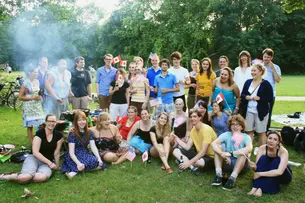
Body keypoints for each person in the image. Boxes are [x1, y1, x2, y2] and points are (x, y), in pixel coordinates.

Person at [0, 114, 63, 183]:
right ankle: (5, 176)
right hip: (34, 158)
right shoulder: (39, 134)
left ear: (56, 122)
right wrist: (50, 163)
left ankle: (28, 175)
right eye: (49, 121)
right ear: (45, 122)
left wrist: (57, 166)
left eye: (53, 121)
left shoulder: (58, 135)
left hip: (47, 163)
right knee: (24, 178)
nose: (51, 123)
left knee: (40, 178)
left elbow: (56, 152)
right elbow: (35, 152)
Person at [211, 115, 253, 191]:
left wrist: (231, 153)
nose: (235, 126)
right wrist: (222, 154)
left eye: (237, 124)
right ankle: (218, 175)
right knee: (218, 147)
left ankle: (232, 179)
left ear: (242, 127)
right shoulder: (227, 134)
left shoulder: (246, 136)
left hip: (241, 164)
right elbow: (213, 144)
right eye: (233, 124)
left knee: (243, 153)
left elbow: (249, 148)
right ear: (230, 126)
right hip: (228, 162)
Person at [62, 110, 105, 179]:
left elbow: (93, 147)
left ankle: (76, 171)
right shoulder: (72, 134)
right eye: (79, 120)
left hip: (84, 152)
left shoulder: (89, 132)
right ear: (76, 122)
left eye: (83, 120)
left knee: (95, 160)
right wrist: (78, 163)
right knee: (87, 163)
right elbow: (71, 152)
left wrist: (99, 159)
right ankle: (77, 169)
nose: (82, 122)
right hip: (73, 154)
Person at [173, 109, 217, 175]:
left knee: (199, 162)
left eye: (194, 116)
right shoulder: (193, 130)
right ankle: (192, 167)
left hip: (211, 157)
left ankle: (184, 162)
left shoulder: (206, 129)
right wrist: (177, 138)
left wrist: (189, 162)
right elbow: (187, 147)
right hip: (199, 154)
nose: (192, 118)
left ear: (199, 117)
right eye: (190, 117)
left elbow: (203, 152)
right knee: (175, 151)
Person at [247, 131, 292, 197]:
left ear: (278, 142)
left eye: (275, 139)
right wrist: (254, 167)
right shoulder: (262, 148)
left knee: (276, 160)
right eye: (270, 138)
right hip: (268, 171)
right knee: (263, 159)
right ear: (266, 139)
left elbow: (279, 172)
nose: (271, 141)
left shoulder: (283, 151)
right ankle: (256, 188)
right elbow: (258, 169)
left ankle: (259, 188)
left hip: (283, 176)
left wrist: (260, 174)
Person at [241, 64, 274, 146]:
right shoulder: (248, 82)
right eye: (252, 70)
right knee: (249, 131)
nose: (252, 72)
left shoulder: (266, 84)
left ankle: (262, 151)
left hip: (261, 111)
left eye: (254, 70)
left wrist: (260, 98)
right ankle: (249, 150)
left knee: (261, 132)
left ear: (260, 72)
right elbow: (242, 94)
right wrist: (246, 97)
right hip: (249, 111)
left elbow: (270, 98)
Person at [19, 65, 45, 143]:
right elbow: (20, 97)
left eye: (37, 72)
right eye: (35, 72)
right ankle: (32, 143)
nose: (37, 74)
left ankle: (40, 140)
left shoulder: (37, 81)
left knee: (41, 124)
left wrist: (40, 94)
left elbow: (37, 92)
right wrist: (33, 98)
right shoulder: (25, 83)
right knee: (30, 126)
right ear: (30, 73)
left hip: (37, 106)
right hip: (28, 107)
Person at [262, 48, 281, 130]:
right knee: (259, 112)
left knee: (268, 113)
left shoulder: (276, 67)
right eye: (265, 56)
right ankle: (258, 130)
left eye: (268, 57)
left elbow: (278, 80)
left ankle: (266, 129)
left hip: (270, 94)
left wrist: (272, 68)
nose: (266, 58)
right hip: (259, 93)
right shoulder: (260, 67)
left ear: (271, 58)